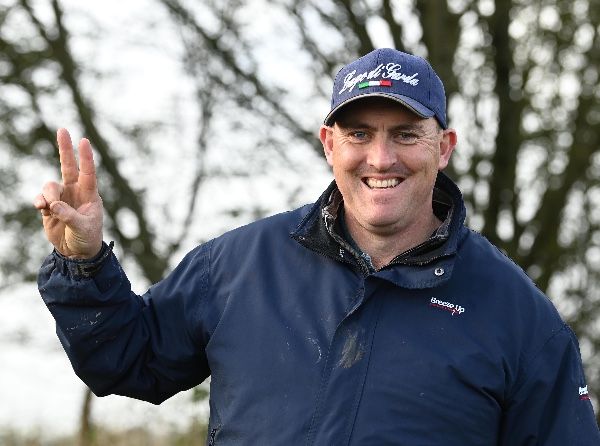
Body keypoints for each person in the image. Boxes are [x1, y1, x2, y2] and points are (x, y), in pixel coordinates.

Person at [35, 48, 600, 445]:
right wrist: (82, 263)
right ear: (329, 144)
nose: (381, 158)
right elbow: (126, 361)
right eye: (359, 134)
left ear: (444, 147)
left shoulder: (520, 318)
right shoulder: (237, 267)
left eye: (406, 134)